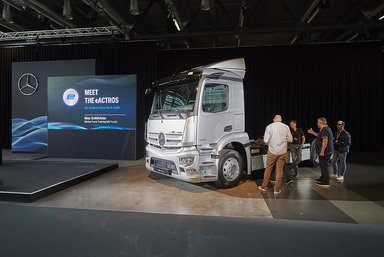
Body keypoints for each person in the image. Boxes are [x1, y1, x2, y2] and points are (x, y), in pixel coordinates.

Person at [259, 115, 293, 195]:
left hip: (272, 151)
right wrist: (284, 139)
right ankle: (276, 190)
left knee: (268, 169)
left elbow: (266, 141)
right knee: (279, 171)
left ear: (274, 119)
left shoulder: (269, 127)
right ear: (281, 120)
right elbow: (290, 139)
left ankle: (264, 187)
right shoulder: (286, 127)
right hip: (282, 152)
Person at [308, 117, 334, 187]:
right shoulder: (323, 129)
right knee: (322, 165)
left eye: (317, 122)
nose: (317, 124)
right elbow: (319, 136)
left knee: (324, 166)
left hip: (325, 152)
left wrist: (322, 151)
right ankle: (323, 178)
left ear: (320, 123)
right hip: (324, 152)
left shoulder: (325, 129)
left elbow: (325, 141)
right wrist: (313, 132)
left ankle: (326, 181)